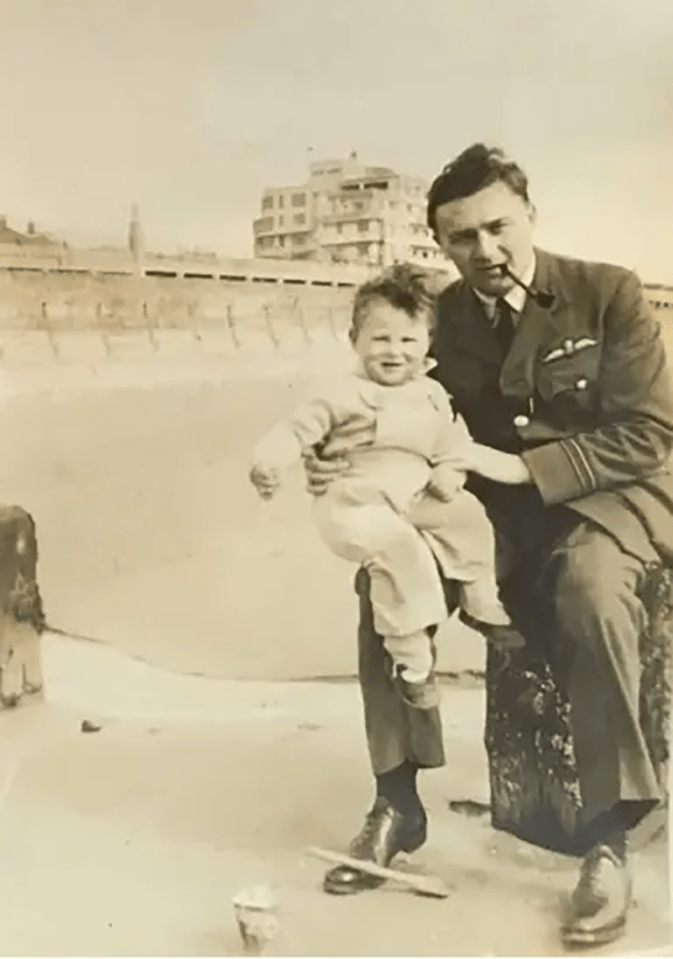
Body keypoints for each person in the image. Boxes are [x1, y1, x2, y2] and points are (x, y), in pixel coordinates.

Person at [305, 144, 673, 948]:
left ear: (529, 214)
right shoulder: (442, 317)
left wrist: (519, 463)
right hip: (486, 518)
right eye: (461, 237)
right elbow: (392, 405)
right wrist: (338, 450)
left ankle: (606, 840)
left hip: (603, 506)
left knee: (591, 593)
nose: (485, 250)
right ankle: (396, 803)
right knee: (385, 583)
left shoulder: (605, 293)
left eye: (498, 227)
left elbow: (648, 434)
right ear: (441, 244)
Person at [250, 265, 517, 710]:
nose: (394, 352)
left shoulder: (432, 393)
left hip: (413, 493)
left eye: (408, 340)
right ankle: (412, 662)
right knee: (399, 552)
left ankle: (480, 600)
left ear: (428, 342)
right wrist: (269, 460)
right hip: (356, 500)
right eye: (380, 339)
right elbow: (296, 430)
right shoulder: (337, 393)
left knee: (468, 516)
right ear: (354, 339)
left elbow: (454, 442)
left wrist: (451, 471)